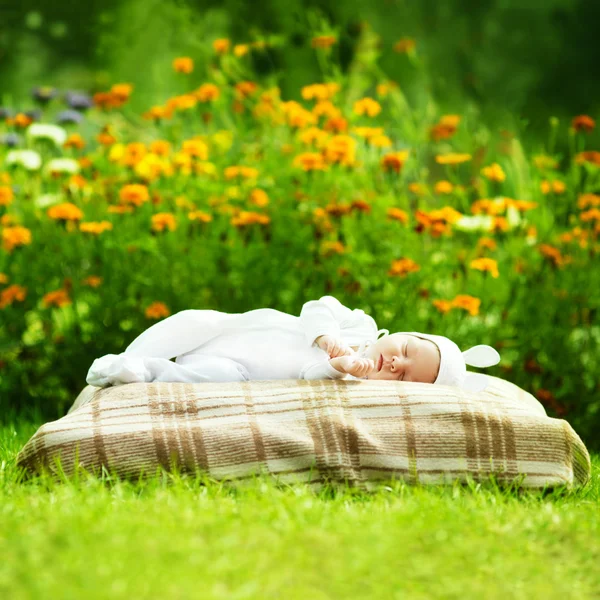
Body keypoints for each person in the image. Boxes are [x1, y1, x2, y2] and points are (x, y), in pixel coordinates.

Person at [86, 295, 500, 392]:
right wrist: (328, 339)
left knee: (214, 379)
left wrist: (339, 367)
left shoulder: (354, 381)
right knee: (195, 321)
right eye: (405, 351)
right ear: (397, 336)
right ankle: (129, 356)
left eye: (407, 377)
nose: (395, 364)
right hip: (235, 332)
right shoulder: (360, 325)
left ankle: (138, 372)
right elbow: (315, 306)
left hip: (242, 370)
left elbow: (310, 373)